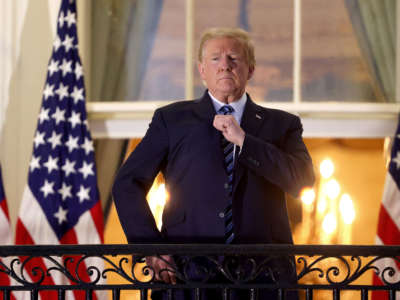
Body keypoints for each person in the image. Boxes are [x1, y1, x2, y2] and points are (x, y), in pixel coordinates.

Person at [112, 27, 315, 300]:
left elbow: (302, 179)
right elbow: (127, 183)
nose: (225, 66)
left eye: (234, 58)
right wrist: (151, 247)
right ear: (202, 70)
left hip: (265, 277)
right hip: (187, 274)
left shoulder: (282, 125)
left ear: (250, 69)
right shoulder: (171, 120)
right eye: (216, 58)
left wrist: (245, 140)